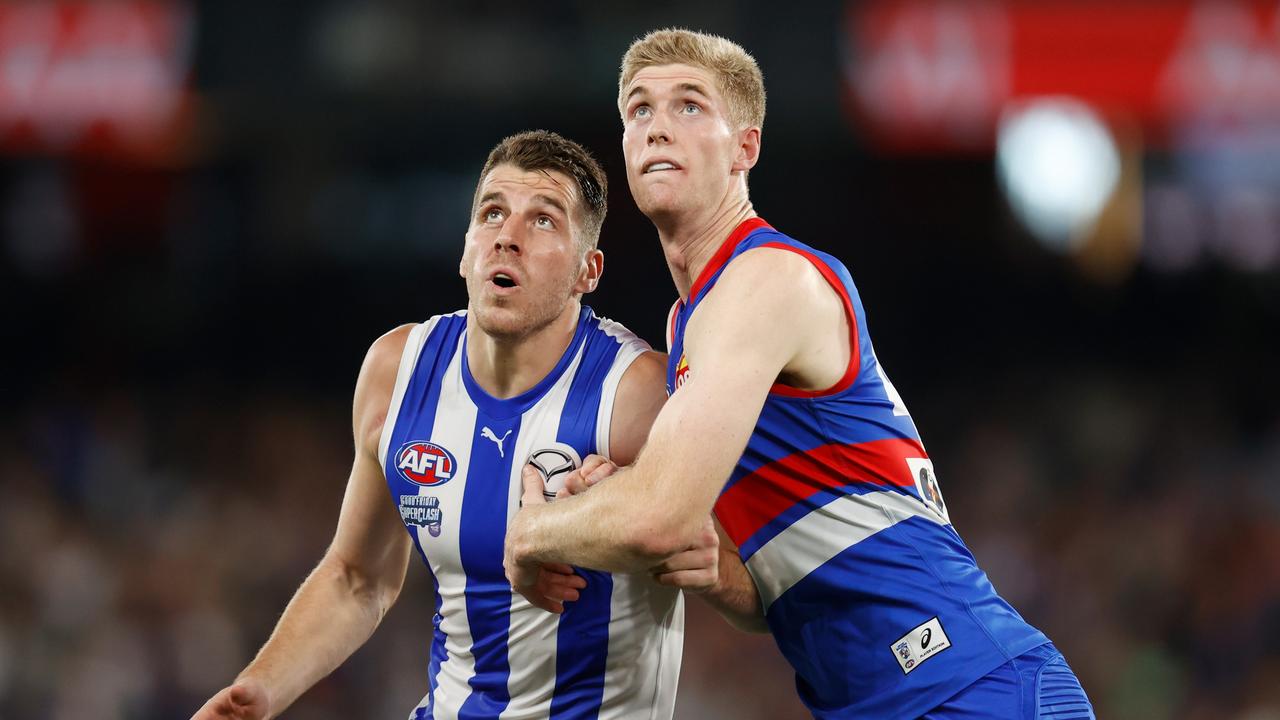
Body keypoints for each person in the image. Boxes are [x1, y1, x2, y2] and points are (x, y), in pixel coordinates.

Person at [503, 30, 1096, 719]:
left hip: (967, 687)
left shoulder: (766, 280)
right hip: (890, 700)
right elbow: (774, 586)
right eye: (638, 110)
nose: (657, 126)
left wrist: (531, 534)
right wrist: (719, 572)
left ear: (744, 148)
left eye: (689, 106)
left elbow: (658, 516)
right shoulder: (689, 321)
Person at [192, 129, 735, 720]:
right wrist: (260, 691)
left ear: (588, 270)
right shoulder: (397, 373)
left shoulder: (637, 396)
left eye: (544, 221)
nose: (508, 237)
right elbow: (358, 579)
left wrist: (686, 558)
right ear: (466, 248)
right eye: (492, 213)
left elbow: (741, 578)